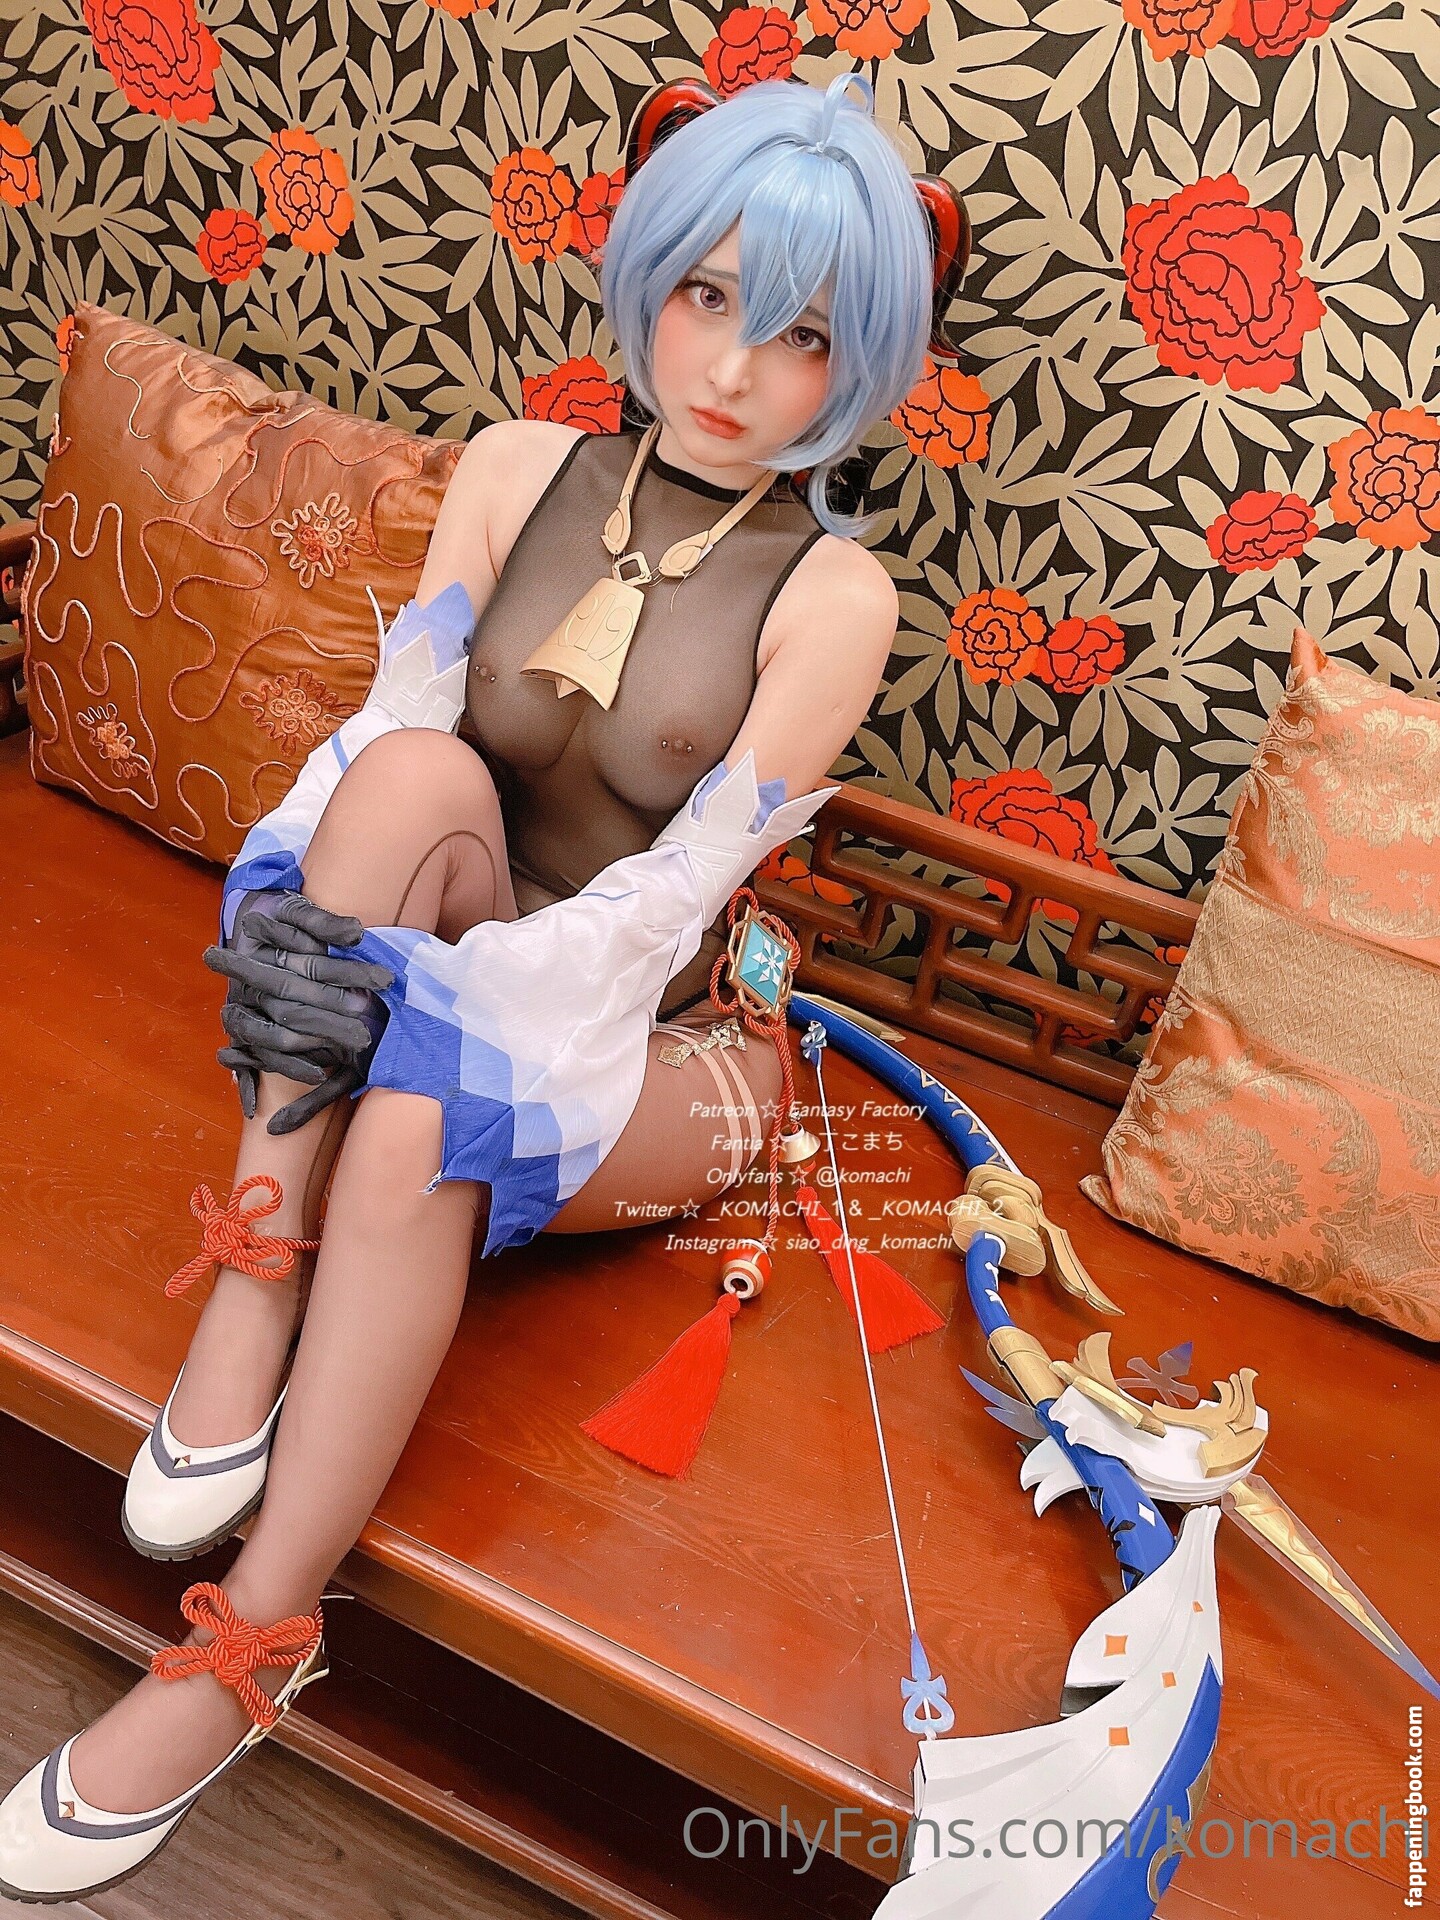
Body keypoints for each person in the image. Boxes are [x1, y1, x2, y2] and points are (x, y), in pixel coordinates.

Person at [0, 67, 949, 1902]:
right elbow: (395, 735)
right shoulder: (519, 471)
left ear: (862, 365)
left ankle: (249, 1651)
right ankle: (254, 1279)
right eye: (709, 295)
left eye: (803, 336)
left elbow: (676, 896)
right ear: (652, 275)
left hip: (674, 1045)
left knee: (420, 1106)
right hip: (465, 926)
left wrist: (433, 1001)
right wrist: (352, 935)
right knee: (404, 776)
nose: (733, 367)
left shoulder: (835, 595)